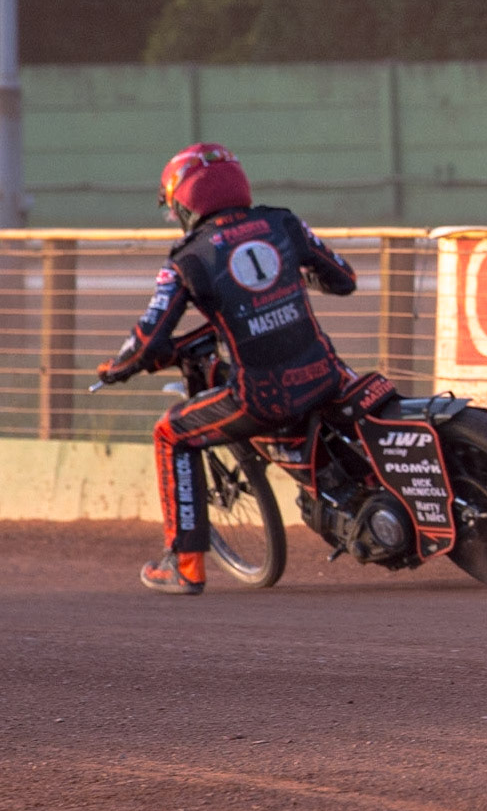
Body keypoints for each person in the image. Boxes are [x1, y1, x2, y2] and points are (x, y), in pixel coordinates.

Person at [97, 143, 358, 594]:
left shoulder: (188, 259)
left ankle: (185, 566)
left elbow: (148, 339)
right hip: (327, 374)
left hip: (265, 396)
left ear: (184, 202)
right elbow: (343, 280)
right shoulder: (283, 222)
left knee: (170, 433)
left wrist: (116, 368)